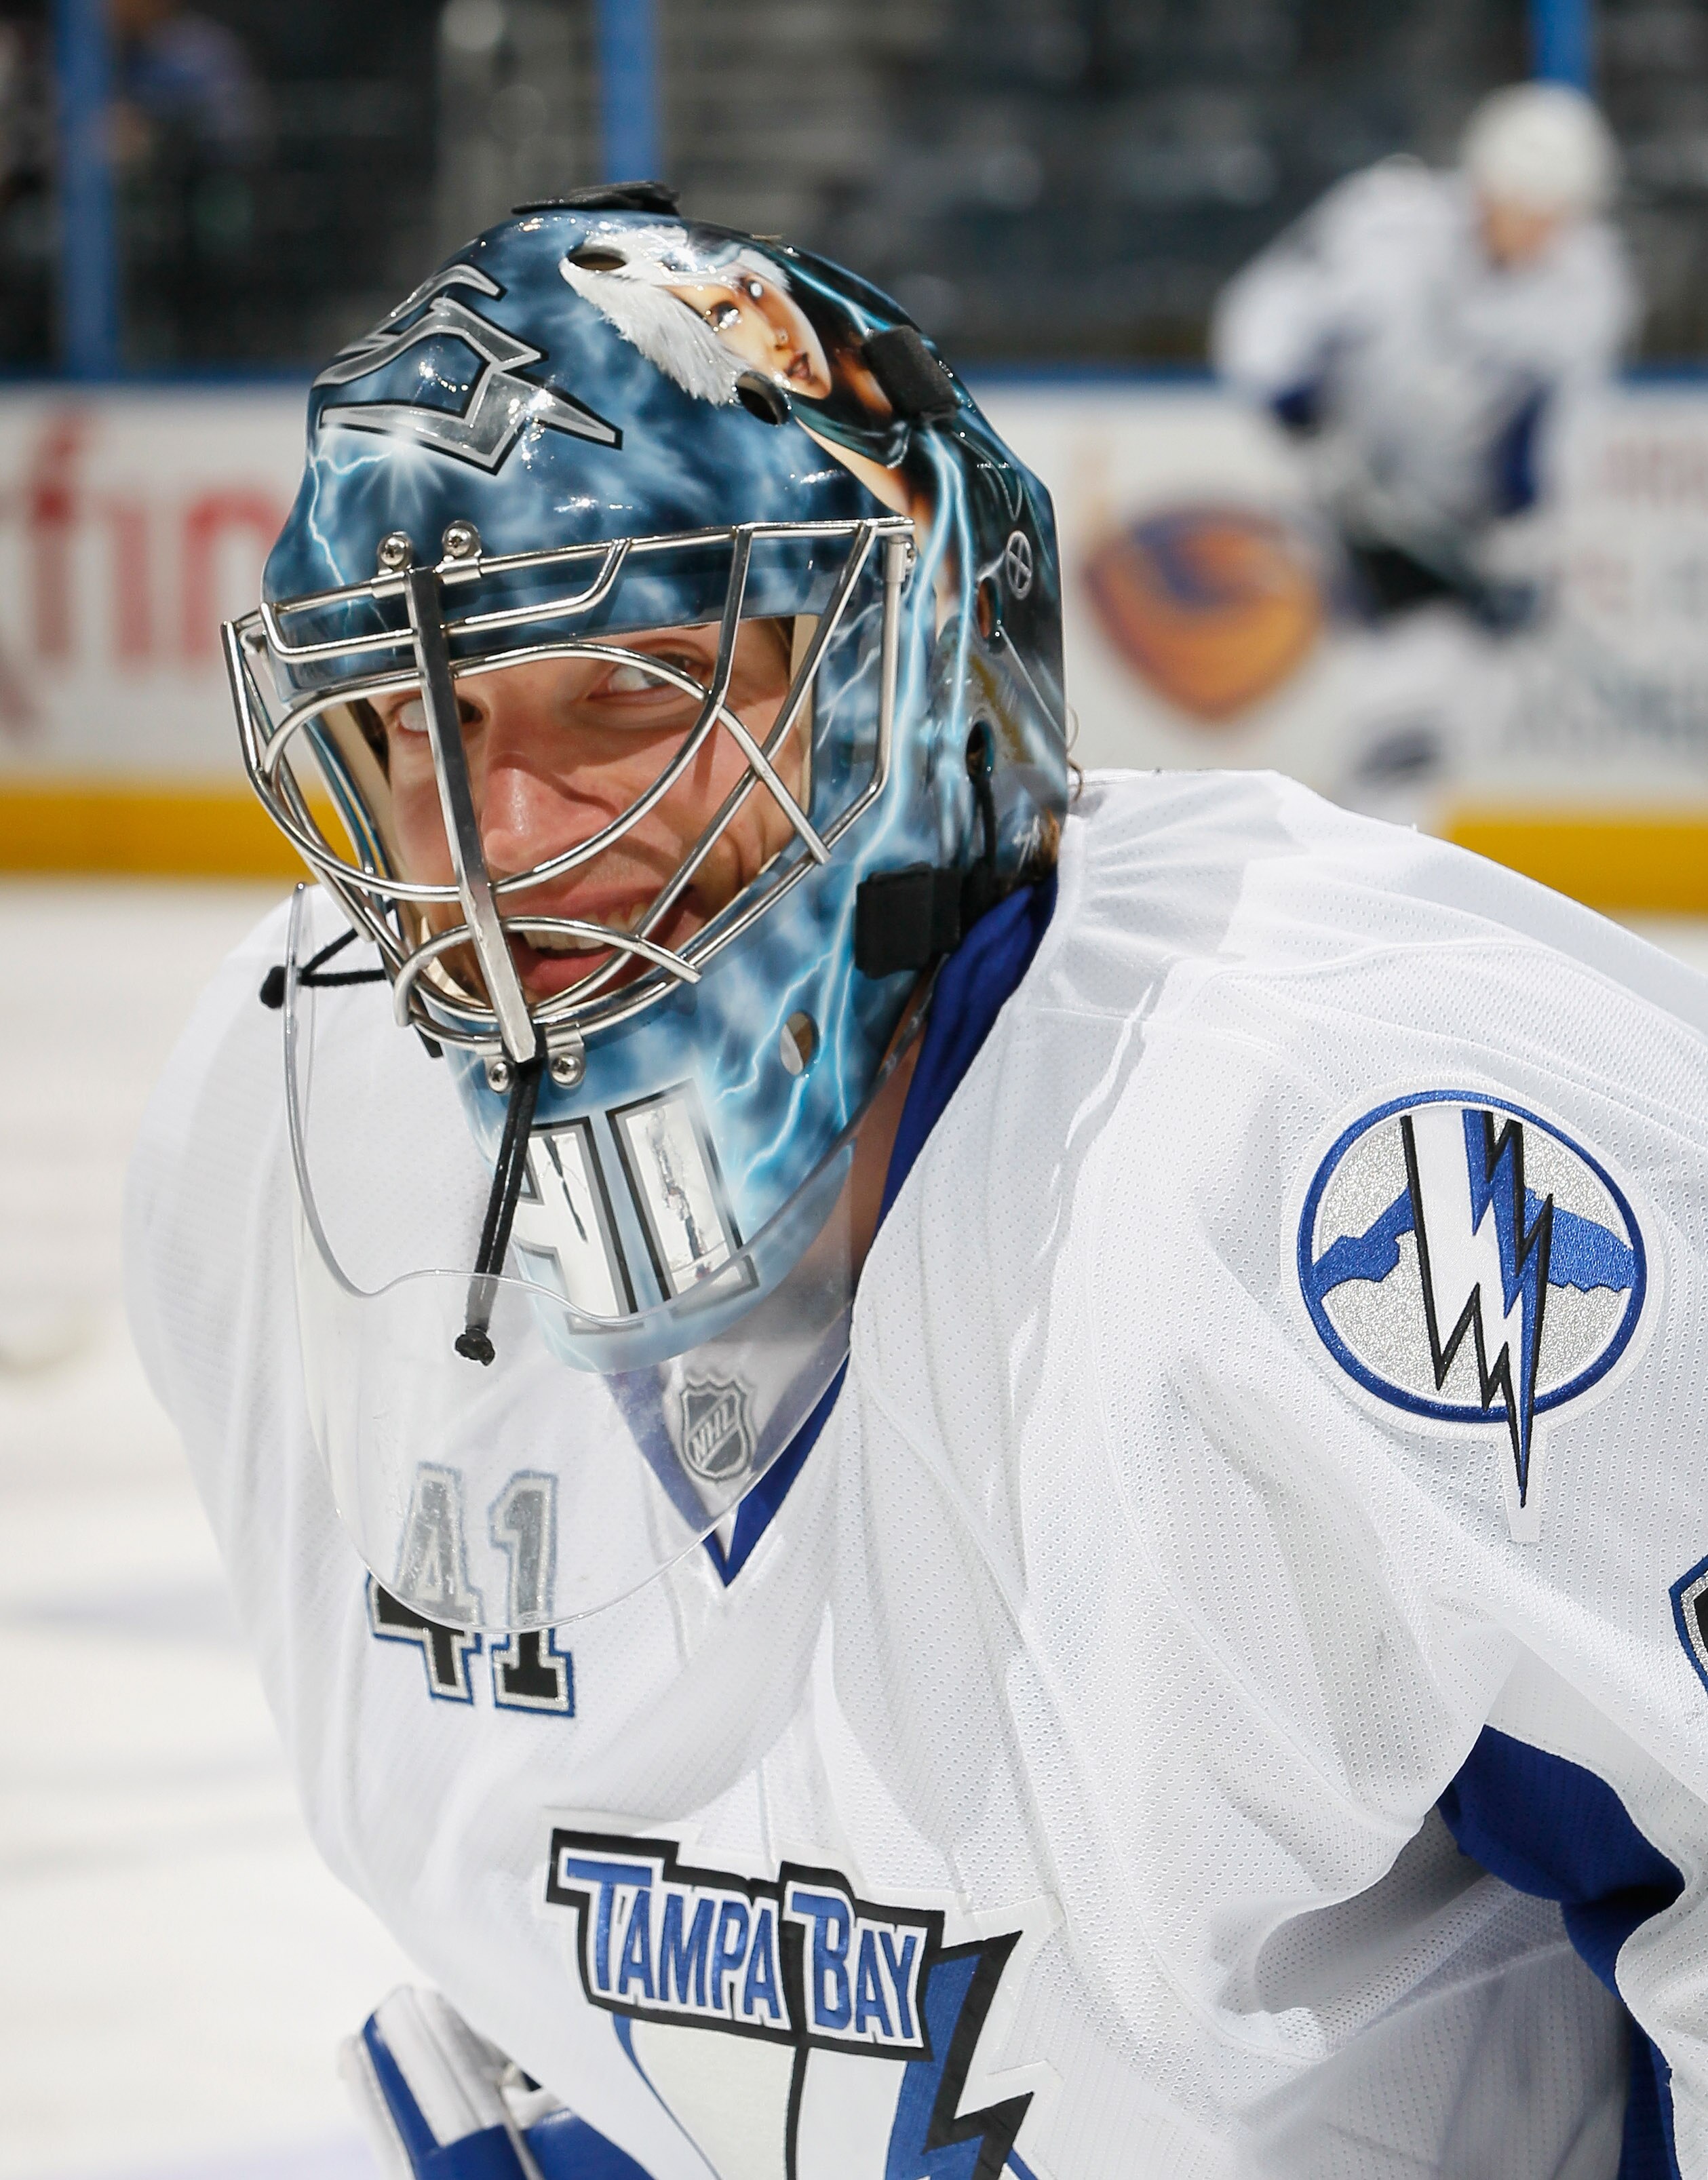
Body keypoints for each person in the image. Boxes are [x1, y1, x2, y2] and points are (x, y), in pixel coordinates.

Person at [129, 183, 1708, 2178]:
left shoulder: (1352, 1146)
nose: (489, 837)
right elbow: (542, 1976)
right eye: (406, 714)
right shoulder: (280, 1135)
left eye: (627, 689)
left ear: (910, 673)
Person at [1214, 81, 1635, 631]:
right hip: (1329, 488)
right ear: (1485, 183)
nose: (1538, 230)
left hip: (1451, 525)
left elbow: (1565, 425)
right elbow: (1264, 317)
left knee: (1430, 679)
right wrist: (1301, 419)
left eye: (1556, 214)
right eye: (1525, 205)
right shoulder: (1386, 223)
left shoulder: (1591, 284)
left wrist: (1520, 532)